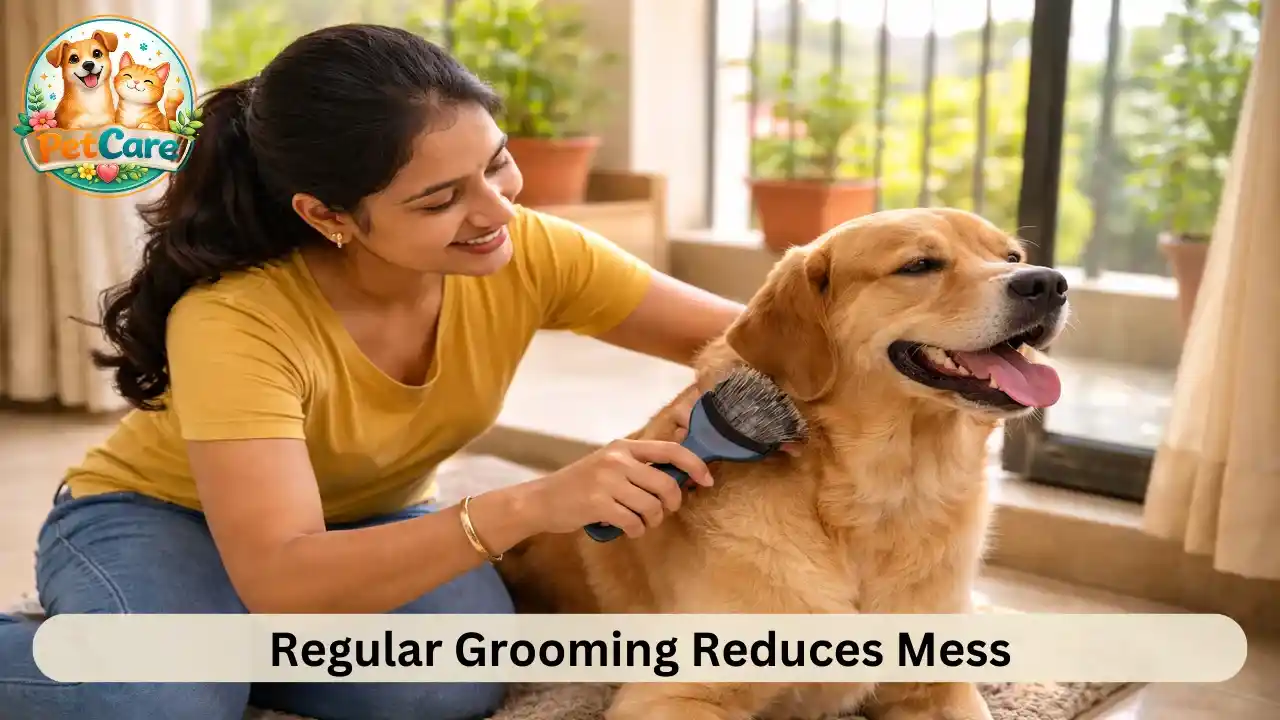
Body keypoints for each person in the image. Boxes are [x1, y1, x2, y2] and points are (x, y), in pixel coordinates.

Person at [0, 23, 744, 720]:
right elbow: (285, 574)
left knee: (447, 681)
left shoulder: (534, 253)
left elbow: (757, 339)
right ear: (330, 216)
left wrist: (695, 417)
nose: (496, 212)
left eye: (496, 164)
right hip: (161, 516)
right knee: (160, 701)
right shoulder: (237, 319)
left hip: (362, 522)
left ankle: (214, 643)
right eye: (439, 199)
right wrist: (531, 504)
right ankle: (165, 646)